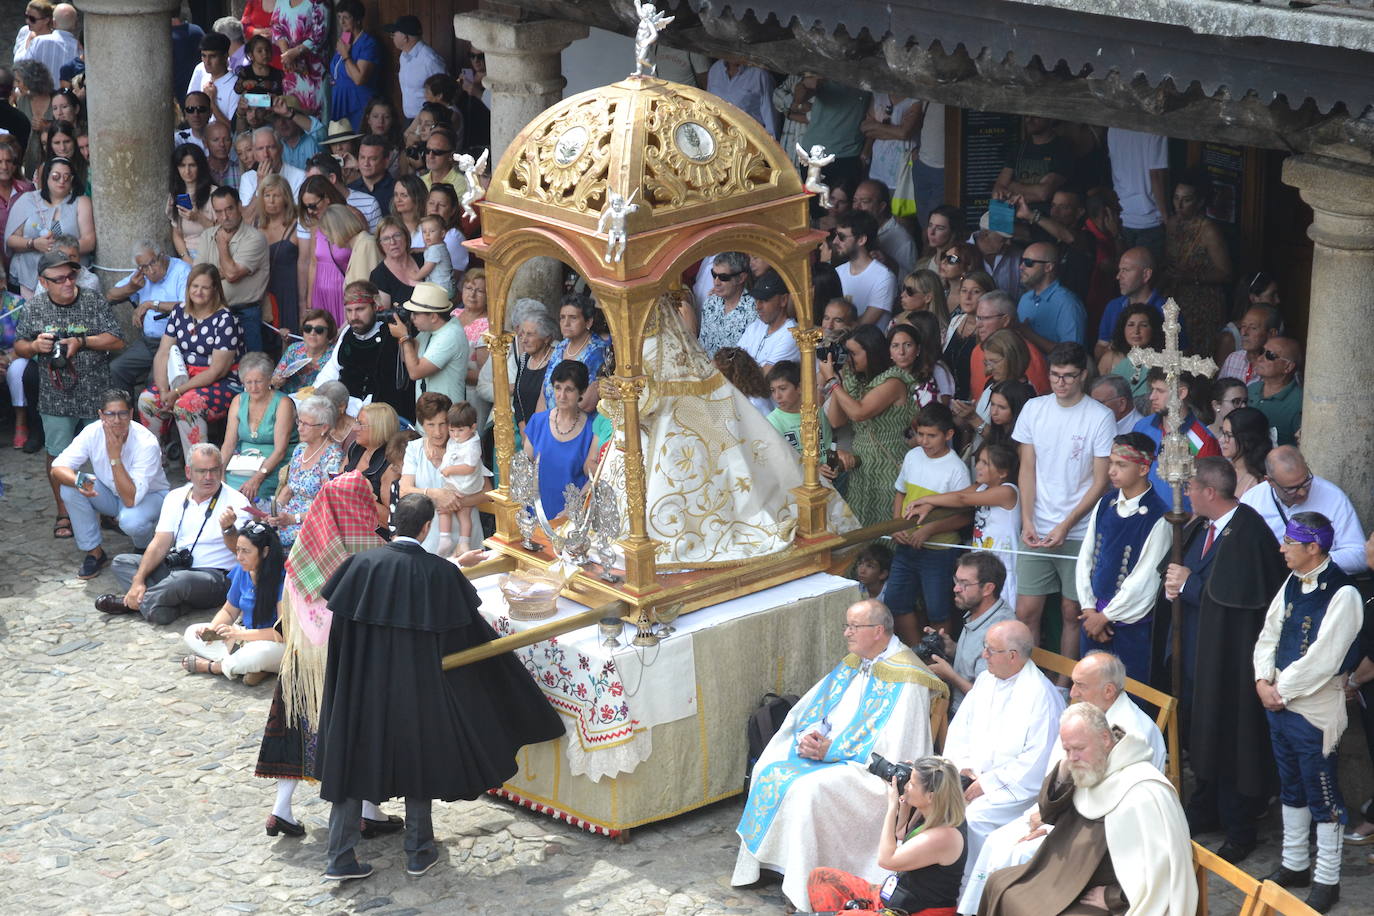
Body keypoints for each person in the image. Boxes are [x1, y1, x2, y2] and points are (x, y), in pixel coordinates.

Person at [316, 492, 564, 881]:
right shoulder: (439, 574)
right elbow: (470, 637)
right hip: (416, 691)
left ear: (396, 520)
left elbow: (341, 637)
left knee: (352, 762)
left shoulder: (359, 566)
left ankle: (340, 857)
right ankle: (418, 852)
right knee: (420, 764)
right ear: (428, 527)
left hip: (361, 689)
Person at [731, 599, 946, 909]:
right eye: (846, 625)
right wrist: (809, 735)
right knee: (769, 765)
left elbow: (898, 750)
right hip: (829, 754)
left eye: (853, 627)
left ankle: (807, 880)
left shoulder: (908, 677)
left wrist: (834, 750)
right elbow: (816, 707)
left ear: (878, 631)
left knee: (808, 789)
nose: (846, 633)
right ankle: (770, 866)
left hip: (867, 772)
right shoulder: (855, 661)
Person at [959, 653, 1168, 914]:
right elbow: (1069, 783)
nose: (1072, 692)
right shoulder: (1084, 718)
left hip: (1099, 842)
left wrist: (1050, 827)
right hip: (1069, 820)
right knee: (996, 849)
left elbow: (1127, 820)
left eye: (1081, 685)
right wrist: (1048, 813)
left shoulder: (1134, 734)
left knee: (1015, 858)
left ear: (1108, 691)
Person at [1163, 457, 1286, 862]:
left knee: (1233, 738)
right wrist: (1174, 587)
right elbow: (1188, 574)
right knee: (1204, 732)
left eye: (1191, 488)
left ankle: (1240, 826)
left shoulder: (1247, 531)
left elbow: (1239, 597)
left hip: (1232, 662)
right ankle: (1206, 809)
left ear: (1209, 492)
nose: (1186, 496)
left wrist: (1190, 584)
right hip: (1202, 656)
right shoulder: (1201, 527)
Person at [975, 702, 1196, 916]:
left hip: (1106, 889)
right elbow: (1048, 814)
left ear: (1106, 739)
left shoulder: (1145, 791)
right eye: (1067, 749)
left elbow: (1162, 871)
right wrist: (1063, 770)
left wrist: (1113, 897)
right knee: (999, 884)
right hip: (1066, 874)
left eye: (1079, 748)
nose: (1072, 757)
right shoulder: (1091, 765)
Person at [1251, 512, 1361, 912]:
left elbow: (1326, 657)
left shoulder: (1343, 593)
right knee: (1291, 785)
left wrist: (1280, 689)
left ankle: (1327, 881)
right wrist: (1262, 680)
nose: (1281, 548)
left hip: (1313, 710)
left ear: (1313, 547)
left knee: (1323, 794)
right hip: (1279, 703)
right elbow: (1269, 633)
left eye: (1289, 542)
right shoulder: (1291, 583)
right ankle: (1295, 863)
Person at [941, 619, 1065, 886]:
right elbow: (960, 729)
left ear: (1012, 656)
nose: (983, 655)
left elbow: (1037, 762)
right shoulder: (986, 680)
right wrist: (962, 767)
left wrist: (987, 783)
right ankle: (939, 887)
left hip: (1014, 791)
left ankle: (971, 893)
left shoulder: (1041, 696)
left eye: (990, 650)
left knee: (973, 818)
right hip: (970, 776)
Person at [1012, 343, 1114, 658]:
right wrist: (1027, 519)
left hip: (1080, 529)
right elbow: (1026, 469)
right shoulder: (1034, 408)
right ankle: (1024, 676)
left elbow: (1101, 481)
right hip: (1037, 524)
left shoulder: (1100, 416)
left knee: (1073, 612)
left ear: (1083, 375)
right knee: (1026, 611)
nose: (1061, 383)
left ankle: (1062, 684)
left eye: (1069, 376)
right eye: (1055, 375)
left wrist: (1066, 524)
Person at [13, 248, 121, 538]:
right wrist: (35, 347)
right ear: (43, 282)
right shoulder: (34, 307)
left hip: (95, 390)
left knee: (104, 454)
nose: (68, 282)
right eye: (59, 278)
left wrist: (82, 341)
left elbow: (117, 340)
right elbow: (19, 346)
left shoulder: (93, 300)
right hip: (54, 395)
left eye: (72, 275)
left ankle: (108, 509)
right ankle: (66, 511)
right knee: (59, 456)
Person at [97, 444, 254, 624]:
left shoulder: (236, 501)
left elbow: (240, 552)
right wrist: (138, 580)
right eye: (202, 471)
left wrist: (228, 529)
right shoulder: (175, 497)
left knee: (180, 581)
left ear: (221, 470)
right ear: (189, 472)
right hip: (177, 568)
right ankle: (165, 606)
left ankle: (130, 604)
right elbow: (159, 543)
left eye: (214, 470)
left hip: (216, 577)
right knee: (122, 562)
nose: (208, 477)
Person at [805, 756, 967, 916]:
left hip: (914, 911)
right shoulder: (934, 810)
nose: (907, 786)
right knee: (821, 878)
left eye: (912, 783)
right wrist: (903, 804)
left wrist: (891, 806)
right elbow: (901, 833)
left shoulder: (945, 836)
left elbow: (886, 859)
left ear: (931, 796)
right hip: (894, 898)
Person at [1073, 434, 1170, 684]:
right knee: (1091, 689)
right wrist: (1088, 607)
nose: (1112, 471)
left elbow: (1145, 578)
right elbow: (1087, 557)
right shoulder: (1106, 502)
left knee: (1129, 693)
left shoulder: (1158, 517)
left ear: (1143, 468)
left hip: (1130, 625)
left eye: (1121, 465)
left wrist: (1105, 617)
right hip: (1092, 617)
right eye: (1111, 463)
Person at [50, 389, 169, 579]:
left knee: (131, 521)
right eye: (110, 414)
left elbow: (131, 499)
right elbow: (57, 467)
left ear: (131, 414)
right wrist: (79, 482)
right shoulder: (92, 431)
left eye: (122, 413)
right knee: (70, 489)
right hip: (111, 494)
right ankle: (94, 552)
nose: (116, 420)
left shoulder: (146, 442)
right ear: (100, 415)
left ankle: (144, 547)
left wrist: (115, 456)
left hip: (150, 497)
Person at [138, 264, 243, 458]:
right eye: (194, 286)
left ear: (215, 290)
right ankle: (154, 461)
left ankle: (197, 468)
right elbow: (163, 353)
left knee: (186, 405)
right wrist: (164, 391)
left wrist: (177, 392)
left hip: (220, 382)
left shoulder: (225, 319)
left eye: (205, 287)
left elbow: (217, 371)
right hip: (181, 376)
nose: (198, 291)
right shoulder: (179, 312)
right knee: (147, 400)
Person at [887, 402, 972, 643]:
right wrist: (896, 523)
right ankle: (917, 653)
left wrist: (930, 529)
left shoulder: (956, 469)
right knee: (896, 603)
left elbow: (965, 515)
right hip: (906, 545)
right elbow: (900, 492)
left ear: (949, 435)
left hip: (939, 551)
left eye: (931, 436)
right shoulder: (912, 456)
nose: (924, 441)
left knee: (938, 610)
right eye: (920, 434)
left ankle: (937, 659)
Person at [820, 324, 918, 527]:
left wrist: (832, 381)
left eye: (853, 353)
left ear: (871, 351)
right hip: (862, 466)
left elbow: (859, 413)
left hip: (887, 465)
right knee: (861, 526)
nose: (849, 358)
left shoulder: (893, 380)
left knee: (883, 529)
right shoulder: (858, 380)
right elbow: (836, 421)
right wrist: (839, 379)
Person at [908, 441, 1020, 606]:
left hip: (1003, 568)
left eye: (985, 463)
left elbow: (962, 499)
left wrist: (925, 499)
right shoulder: (981, 487)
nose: (978, 467)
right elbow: (958, 494)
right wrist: (932, 504)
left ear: (1002, 473)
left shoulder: (1008, 491)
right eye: (979, 461)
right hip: (981, 567)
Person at [180, 520, 286, 684]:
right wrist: (212, 628)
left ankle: (215, 667)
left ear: (265, 552)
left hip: (275, 645)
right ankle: (248, 667)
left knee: (259, 653)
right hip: (245, 639)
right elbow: (229, 611)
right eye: (237, 550)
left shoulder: (284, 580)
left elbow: (281, 633)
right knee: (192, 633)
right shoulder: (241, 571)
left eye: (246, 551)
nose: (239, 557)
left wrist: (238, 634)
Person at [1240, 445, 1367, 575]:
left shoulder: (1333, 497)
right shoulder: (1252, 501)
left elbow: (1359, 555)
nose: (1302, 492)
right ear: (1270, 481)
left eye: (1306, 481)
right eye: (1292, 489)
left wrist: (1314, 560)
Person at [919, 551, 1017, 713]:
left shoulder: (1000, 632)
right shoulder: (977, 611)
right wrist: (953, 649)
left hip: (972, 717)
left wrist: (950, 675)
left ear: (987, 588)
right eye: (956, 580)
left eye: (964, 583)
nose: (956, 588)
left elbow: (987, 698)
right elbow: (977, 657)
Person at [315, 281, 415, 421]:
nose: (354, 316)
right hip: (345, 416)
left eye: (360, 309)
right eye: (349, 311)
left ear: (375, 307)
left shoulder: (394, 333)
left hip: (383, 419)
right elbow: (331, 371)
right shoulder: (347, 334)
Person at [106, 241, 193, 396]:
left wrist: (151, 304)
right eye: (144, 267)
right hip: (149, 342)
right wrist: (131, 288)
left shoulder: (182, 271)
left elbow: (188, 306)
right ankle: (125, 416)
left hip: (176, 343)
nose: (150, 271)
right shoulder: (142, 275)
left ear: (162, 255)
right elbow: (110, 296)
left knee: (154, 381)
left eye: (153, 263)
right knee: (117, 368)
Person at [1132, 367, 1221, 509]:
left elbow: (1210, 494)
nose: (1152, 397)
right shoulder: (1142, 427)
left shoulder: (1201, 440)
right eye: (1152, 389)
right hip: (1143, 519)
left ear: (1181, 393)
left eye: (1160, 391)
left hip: (1182, 525)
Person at [1163, 172, 1230, 357]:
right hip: (1175, 296)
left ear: (1200, 202)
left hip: (1202, 303)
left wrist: (1191, 277)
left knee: (1196, 355)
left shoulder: (1209, 230)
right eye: (1176, 198)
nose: (1179, 205)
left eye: (1186, 200)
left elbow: (1225, 272)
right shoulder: (1172, 223)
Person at [5, 156, 93, 299]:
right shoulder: (27, 199)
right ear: (46, 177)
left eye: (67, 176)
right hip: (29, 276)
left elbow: (89, 241)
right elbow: (11, 240)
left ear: (73, 179)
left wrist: (59, 250)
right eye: (56, 176)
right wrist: (33, 243)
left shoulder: (81, 202)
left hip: (70, 276)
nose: (61, 181)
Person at [198, 187, 271, 354]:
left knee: (251, 367)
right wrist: (221, 272)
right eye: (219, 211)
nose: (224, 216)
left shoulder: (255, 238)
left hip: (245, 313)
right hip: (213, 311)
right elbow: (198, 277)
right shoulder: (206, 235)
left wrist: (222, 245)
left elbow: (231, 274)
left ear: (239, 206)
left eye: (229, 209)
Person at [524, 360, 598, 519]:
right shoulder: (537, 422)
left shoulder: (593, 429)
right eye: (558, 388)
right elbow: (524, 467)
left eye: (569, 389)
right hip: (535, 513)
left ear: (582, 391)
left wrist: (573, 510)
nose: (562, 395)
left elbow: (594, 479)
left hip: (572, 517)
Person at [221, 351, 295, 505]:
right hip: (243, 464)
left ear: (269, 379)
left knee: (252, 494)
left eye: (258, 381)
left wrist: (257, 478)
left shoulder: (283, 403)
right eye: (248, 382)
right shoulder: (238, 400)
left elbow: (280, 451)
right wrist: (220, 472)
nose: (253, 387)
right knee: (222, 491)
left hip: (273, 466)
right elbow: (228, 444)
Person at [391, 280, 469, 405]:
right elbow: (408, 359)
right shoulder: (429, 330)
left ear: (433, 317)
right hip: (428, 415)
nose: (412, 318)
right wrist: (402, 327)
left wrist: (404, 337)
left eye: (415, 314)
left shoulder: (450, 335)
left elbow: (415, 372)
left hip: (447, 418)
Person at [966, 289, 1049, 398]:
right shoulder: (977, 350)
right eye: (978, 318)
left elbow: (1038, 404)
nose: (978, 325)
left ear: (1005, 320)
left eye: (985, 318)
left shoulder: (1029, 355)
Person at [1094, 247, 1166, 363]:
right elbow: (1101, 346)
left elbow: (1180, 356)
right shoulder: (1113, 306)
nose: (1118, 277)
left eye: (1126, 270)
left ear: (1146, 275)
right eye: (1119, 270)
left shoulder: (1167, 311)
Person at [1107, 128, 1170, 261]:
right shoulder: (1155, 128)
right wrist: (1166, 217)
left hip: (1123, 214)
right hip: (1150, 220)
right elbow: (1156, 175)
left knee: (1126, 275)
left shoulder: (1114, 127)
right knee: (1148, 277)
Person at [992, 117, 1073, 217]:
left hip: (1044, 221)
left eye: (1035, 116)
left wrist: (1013, 186)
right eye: (1026, 116)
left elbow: (1043, 193)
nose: (1029, 119)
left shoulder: (1062, 148)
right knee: (991, 231)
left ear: (1050, 118)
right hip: (1015, 217)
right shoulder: (1019, 148)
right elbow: (998, 189)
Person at [434, 401, 485, 556]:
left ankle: (445, 538)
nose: (455, 435)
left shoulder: (472, 446)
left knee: (443, 508)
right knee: (464, 514)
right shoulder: (460, 440)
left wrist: (450, 470)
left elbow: (469, 467)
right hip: (465, 485)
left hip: (463, 484)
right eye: (452, 430)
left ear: (473, 427)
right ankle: (464, 542)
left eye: (460, 430)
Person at [1016, 242, 1086, 353]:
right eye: (1022, 261)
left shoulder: (1068, 303)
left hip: (1052, 369)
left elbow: (1072, 353)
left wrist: (1030, 334)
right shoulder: (1025, 299)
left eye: (1028, 262)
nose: (1021, 267)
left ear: (1048, 267)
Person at [834, 211, 897, 328]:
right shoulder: (837, 272)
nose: (835, 241)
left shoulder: (884, 277)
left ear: (861, 240)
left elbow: (863, 325)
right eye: (836, 235)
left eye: (841, 237)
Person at [853, 179, 918, 280]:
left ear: (881, 206)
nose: (857, 207)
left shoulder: (903, 240)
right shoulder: (853, 229)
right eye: (855, 201)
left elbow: (911, 281)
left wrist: (890, 263)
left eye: (864, 202)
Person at [239, 127, 308, 221]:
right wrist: (260, 186)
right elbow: (247, 219)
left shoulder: (300, 177)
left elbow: (296, 217)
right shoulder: (247, 178)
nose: (266, 154)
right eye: (260, 149)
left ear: (281, 149)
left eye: (271, 147)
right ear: (254, 154)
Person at [736, 270, 799, 372]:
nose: (758, 306)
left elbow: (764, 377)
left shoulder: (792, 333)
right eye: (756, 299)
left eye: (764, 300)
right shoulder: (756, 325)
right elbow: (734, 361)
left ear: (783, 300)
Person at [329, 0, 379, 130]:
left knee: (356, 139)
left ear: (357, 19)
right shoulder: (345, 39)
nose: (342, 22)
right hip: (339, 100)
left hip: (357, 101)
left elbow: (359, 79)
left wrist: (346, 55)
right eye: (340, 17)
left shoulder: (368, 43)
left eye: (346, 17)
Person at [696, 251, 757, 357]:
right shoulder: (711, 302)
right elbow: (702, 344)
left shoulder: (754, 310)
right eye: (714, 275)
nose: (716, 282)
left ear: (741, 278)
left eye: (724, 277)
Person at [766, 359, 832, 456]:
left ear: (800, 387)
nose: (777, 396)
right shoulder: (772, 422)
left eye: (783, 389)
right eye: (772, 390)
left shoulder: (817, 411)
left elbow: (828, 448)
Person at [1246, 335, 1303, 447]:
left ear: (1288, 367)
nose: (1260, 358)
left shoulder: (1300, 402)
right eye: (1261, 351)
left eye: (1270, 355)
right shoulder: (1252, 389)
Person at [270, 307, 334, 393]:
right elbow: (275, 379)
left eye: (319, 330)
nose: (312, 333)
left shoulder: (335, 355)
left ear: (329, 333)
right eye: (307, 328)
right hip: (290, 402)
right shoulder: (293, 350)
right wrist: (277, 381)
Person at [705, 57, 775, 135]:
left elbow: (771, 120)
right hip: (718, 137)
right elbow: (708, 108)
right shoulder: (715, 69)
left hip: (749, 140)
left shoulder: (760, 75)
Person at [1217, 303, 1281, 385]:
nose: (1244, 333)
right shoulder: (1233, 359)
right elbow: (1220, 393)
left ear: (1272, 334)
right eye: (1243, 326)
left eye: (1253, 328)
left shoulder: (1279, 368)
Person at [188, 32, 239, 125]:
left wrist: (210, 101)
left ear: (225, 56)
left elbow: (233, 130)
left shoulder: (236, 86)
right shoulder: (202, 74)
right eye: (204, 56)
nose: (207, 62)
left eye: (213, 56)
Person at [1218, 404, 1268, 497]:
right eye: (1223, 433)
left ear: (1247, 439)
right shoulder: (1223, 469)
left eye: (1228, 435)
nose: (1221, 440)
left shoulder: (1260, 483)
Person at [350, 133, 396, 213]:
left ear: (386, 161)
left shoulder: (397, 190)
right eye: (362, 157)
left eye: (373, 159)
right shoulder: (350, 190)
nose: (366, 163)